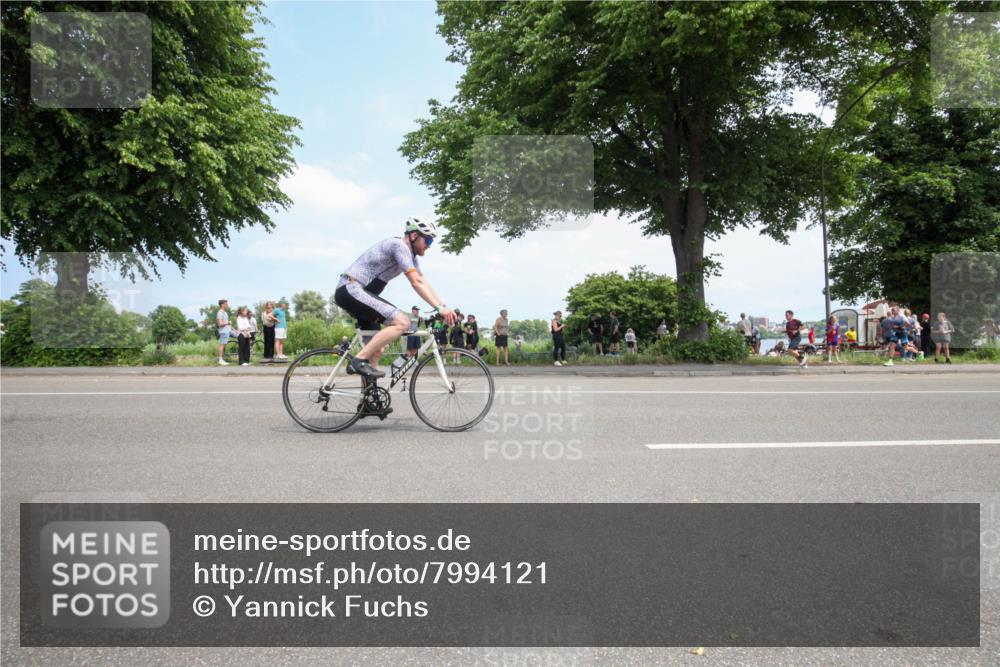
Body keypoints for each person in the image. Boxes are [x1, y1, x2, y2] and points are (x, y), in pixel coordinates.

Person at [332, 217, 457, 378]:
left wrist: (442, 306)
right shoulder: (399, 246)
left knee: (376, 350)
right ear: (413, 236)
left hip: (361, 294)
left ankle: (368, 400)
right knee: (403, 322)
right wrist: (439, 308)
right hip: (351, 289)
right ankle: (357, 361)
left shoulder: (411, 256)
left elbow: (422, 280)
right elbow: (416, 283)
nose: (429, 245)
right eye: (428, 240)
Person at [215, 299, 236, 366]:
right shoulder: (220, 313)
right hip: (224, 331)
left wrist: (235, 330)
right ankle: (220, 360)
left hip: (229, 330)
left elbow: (228, 324)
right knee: (222, 345)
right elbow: (220, 324)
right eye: (226, 304)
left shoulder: (225, 313)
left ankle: (243, 358)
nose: (227, 305)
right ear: (222, 305)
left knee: (240, 335)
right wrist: (228, 322)